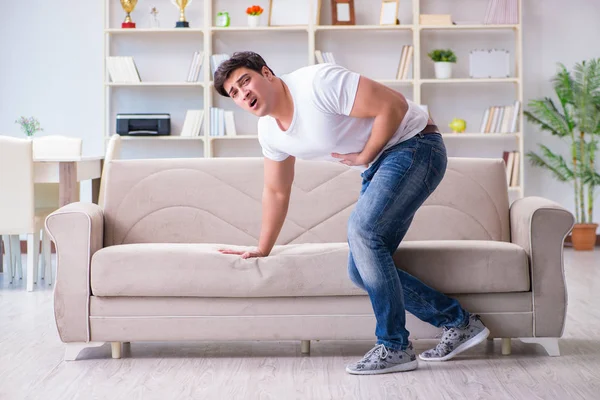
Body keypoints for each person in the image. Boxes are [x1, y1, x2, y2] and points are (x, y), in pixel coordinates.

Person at [215, 51, 490, 375]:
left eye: (245, 81)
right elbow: (277, 190)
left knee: (363, 232)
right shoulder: (269, 132)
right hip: (382, 163)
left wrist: (366, 155)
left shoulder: (318, 83)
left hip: (416, 145)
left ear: (267, 73)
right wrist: (263, 247)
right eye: (233, 92)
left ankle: (395, 345)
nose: (242, 93)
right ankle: (459, 323)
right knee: (361, 268)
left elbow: (394, 105)